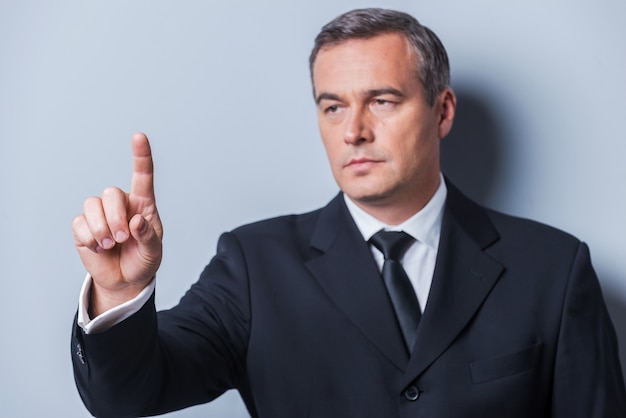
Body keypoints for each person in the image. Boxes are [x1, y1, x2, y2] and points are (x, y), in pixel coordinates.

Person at [71, 8, 626, 418]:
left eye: (382, 101)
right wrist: (120, 295)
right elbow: (127, 397)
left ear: (443, 111)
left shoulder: (553, 268)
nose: (354, 130)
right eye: (333, 106)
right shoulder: (253, 266)